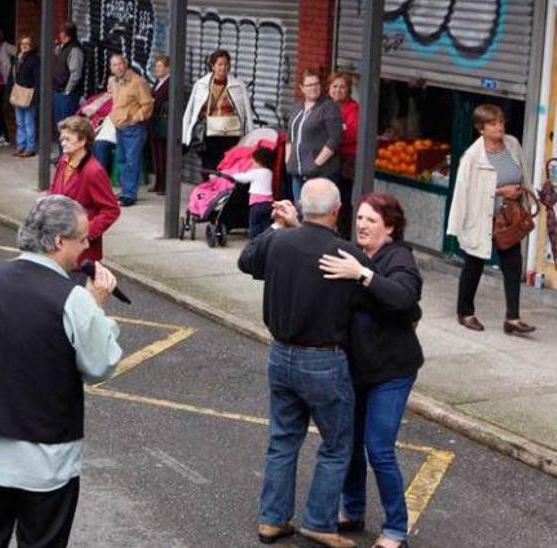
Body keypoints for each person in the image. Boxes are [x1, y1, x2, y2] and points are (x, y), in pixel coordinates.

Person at [0, 194, 122, 547]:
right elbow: (100, 364)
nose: (86, 248)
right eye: (82, 239)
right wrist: (96, 308)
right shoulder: (73, 298)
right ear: (59, 241)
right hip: (46, 456)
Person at [237, 179, 367, 548]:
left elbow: (247, 259)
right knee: (337, 444)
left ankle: (272, 520)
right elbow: (375, 287)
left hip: (280, 353)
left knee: (282, 440)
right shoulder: (344, 253)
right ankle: (320, 522)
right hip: (324, 359)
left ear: (301, 207)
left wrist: (279, 226)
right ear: (338, 211)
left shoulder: (279, 243)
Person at [316, 193, 422, 548]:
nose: (361, 225)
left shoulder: (399, 257)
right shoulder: (351, 252)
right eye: (359, 218)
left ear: (389, 227)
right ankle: (353, 510)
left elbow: (405, 299)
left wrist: (362, 275)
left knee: (379, 448)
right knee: (350, 444)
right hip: (356, 367)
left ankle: (395, 529)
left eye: (371, 220)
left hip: (392, 371)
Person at [447, 103, 535, 335]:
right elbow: (466, 191)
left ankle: (513, 318)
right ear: (481, 128)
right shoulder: (473, 157)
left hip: (508, 219)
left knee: (513, 265)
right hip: (482, 218)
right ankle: (465, 312)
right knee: (473, 266)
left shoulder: (512, 144)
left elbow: (523, 173)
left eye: (501, 122)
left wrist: (527, 199)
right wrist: (500, 191)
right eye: (493, 124)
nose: (499, 127)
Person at [49, 116, 120, 264]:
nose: (63, 144)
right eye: (62, 139)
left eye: (68, 139)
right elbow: (54, 194)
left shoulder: (94, 171)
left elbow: (111, 210)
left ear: (82, 141)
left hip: (82, 256)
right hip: (59, 249)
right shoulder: (64, 161)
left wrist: (84, 234)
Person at [181, 49, 255, 170]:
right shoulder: (201, 85)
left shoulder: (238, 86)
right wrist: (185, 136)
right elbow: (191, 111)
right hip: (208, 134)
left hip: (229, 135)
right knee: (207, 167)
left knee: (226, 166)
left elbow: (246, 113)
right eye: (219, 64)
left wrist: (250, 136)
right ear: (213, 66)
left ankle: (220, 188)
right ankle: (208, 187)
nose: (223, 68)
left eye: (226, 64)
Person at [287, 69, 343, 204]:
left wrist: (316, 165)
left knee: (316, 212)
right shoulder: (297, 107)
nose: (314, 88)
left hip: (320, 173)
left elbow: (335, 139)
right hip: (298, 172)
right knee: (299, 211)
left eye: (316, 84)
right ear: (301, 88)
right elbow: (290, 136)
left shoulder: (328, 107)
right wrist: (288, 160)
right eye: (310, 85)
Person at [107, 53, 154, 206]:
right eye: (114, 65)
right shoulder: (115, 82)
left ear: (125, 64)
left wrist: (135, 118)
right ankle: (125, 190)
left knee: (132, 161)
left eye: (120, 64)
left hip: (133, 128)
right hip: (119, 126)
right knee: (122, 160)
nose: (117, 67)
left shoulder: (137, 82)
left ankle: (129, 194)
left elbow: (147, 104)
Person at [330, 72, 359, 236]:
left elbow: (353, 132)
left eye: (342, 87)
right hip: (326, 160)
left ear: (348, 90)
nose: (338, 90)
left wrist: (334, 135)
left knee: (343, 200)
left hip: (346, 161)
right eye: (334, 86)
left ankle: (344, 235)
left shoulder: (353, 109)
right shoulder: (325, 106)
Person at [230, 146, 277, 239]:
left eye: (253, 161)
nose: (252, 163)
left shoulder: (256, 172)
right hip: (269, 204)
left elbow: (243, 178)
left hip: (256, 205)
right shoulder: (269, 172)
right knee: (266, 225)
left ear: (258, 162)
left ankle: (254, 244)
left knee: (254, 226)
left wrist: (232, 176)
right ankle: (267, 243)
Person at [12, 35, 40, 158]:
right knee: (20, 122)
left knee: (29, 122)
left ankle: (30, 148)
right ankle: (21, 146)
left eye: (27, 43)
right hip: (18, 92)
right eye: (22, 43)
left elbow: (37, 79)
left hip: (29, 93)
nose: (24, 45)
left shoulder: (34, 59)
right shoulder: (18, 58)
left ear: (31, 45)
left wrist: (35, 95)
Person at [52, 22, 85, 126]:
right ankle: (61, 142)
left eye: (61, 32)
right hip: (59, 90)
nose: (59, 34)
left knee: (68, 123)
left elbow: (76, 73)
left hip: (68, 94)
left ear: (65, 34)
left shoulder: (75, 50)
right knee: (60, 123)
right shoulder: (63, 48)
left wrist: (68, 90)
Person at [148, 55, 171, 193]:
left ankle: (164, 185)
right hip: (155, 122)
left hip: (163, 123)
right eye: (156, 66)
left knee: (163, 154)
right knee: (156, 154)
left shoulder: (170, 83)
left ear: (168, 68)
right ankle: (158, 182)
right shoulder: (158, 82)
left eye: (160, 66)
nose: (156, 69)